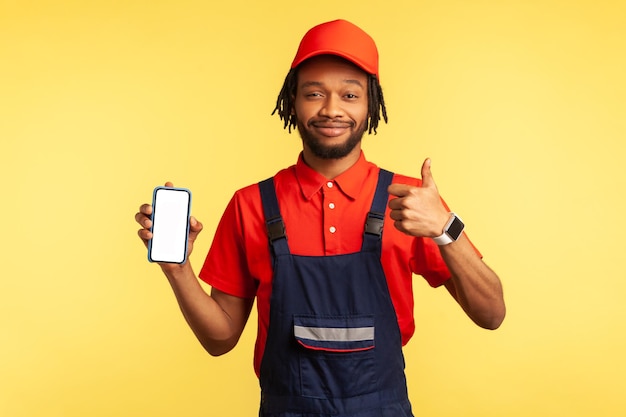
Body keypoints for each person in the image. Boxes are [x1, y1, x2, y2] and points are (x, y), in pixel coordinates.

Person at [135, 19, 505, 417]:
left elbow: (491, 314)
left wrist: (445, 227)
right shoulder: (252, 205)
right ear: (292, 101)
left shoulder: (411, 200)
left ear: (370, 104)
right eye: (314, 93)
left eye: (349, 94)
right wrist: (177, 268)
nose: (332, 109)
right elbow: (219, 339)